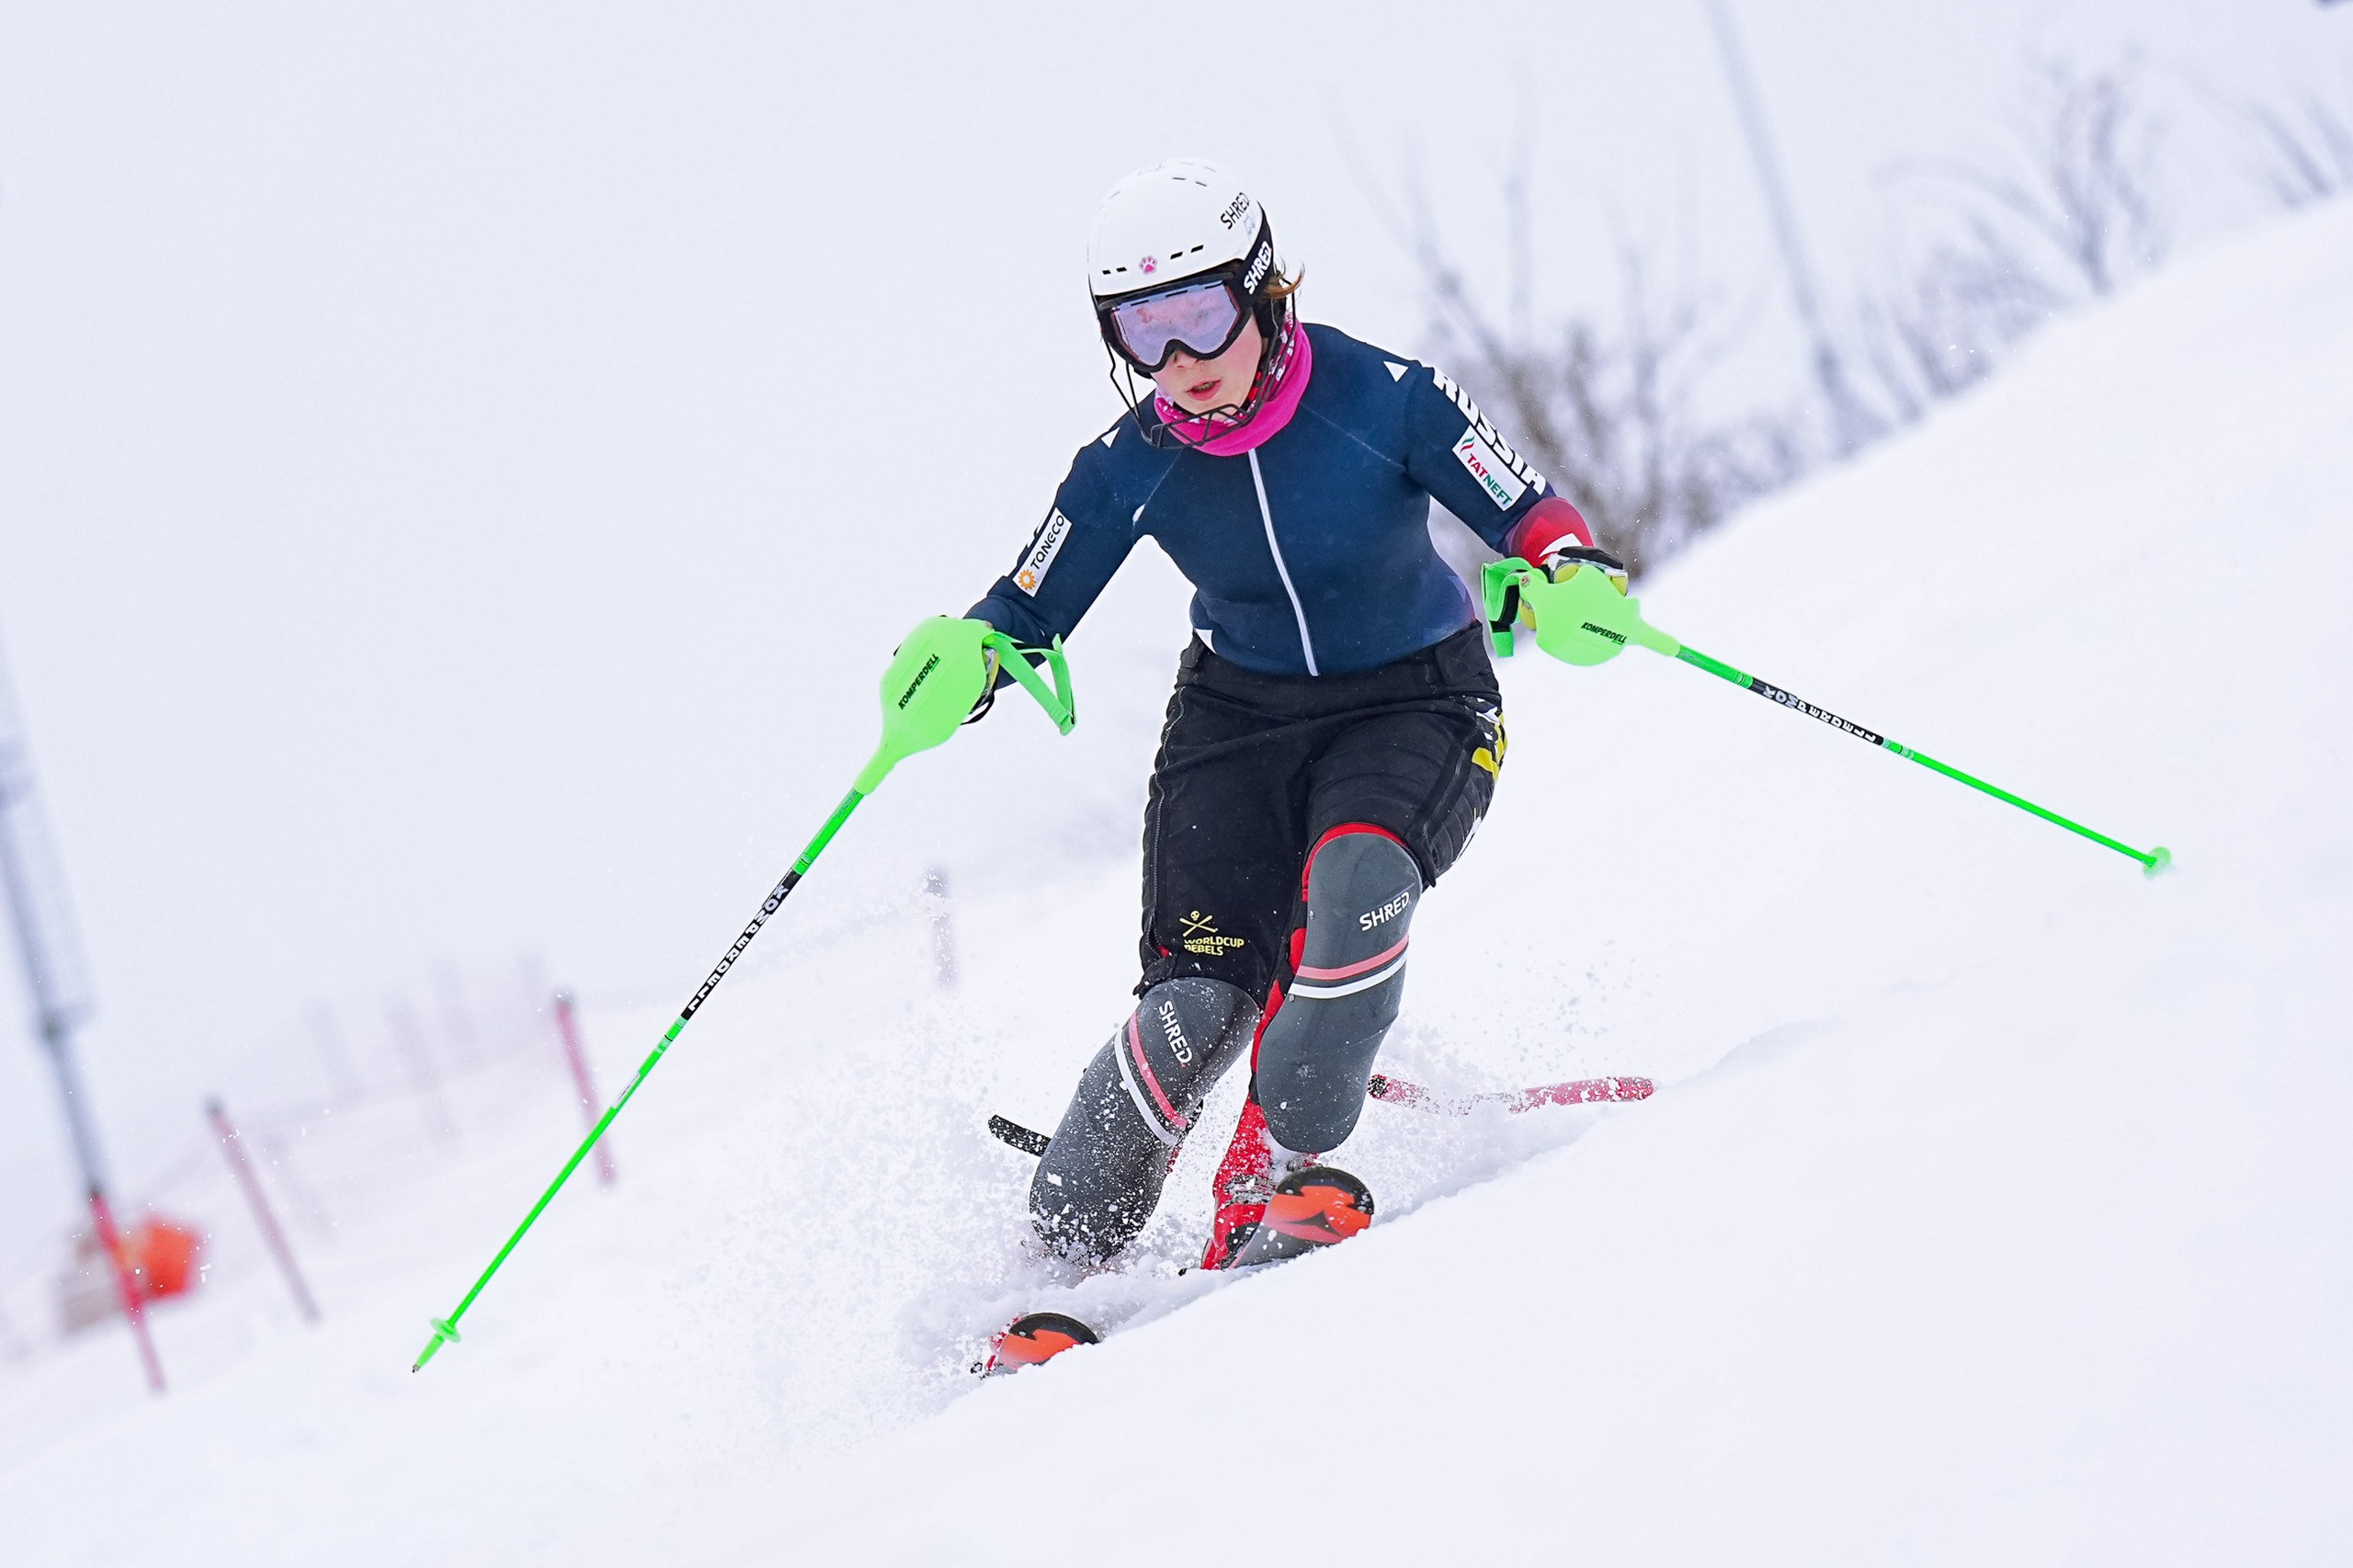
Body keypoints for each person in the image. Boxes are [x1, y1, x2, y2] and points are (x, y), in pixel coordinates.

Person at [962, 159, 1620, 1270]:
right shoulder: (1126, 464)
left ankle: (1270, 1177)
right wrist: (964, 655)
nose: (1180, 362)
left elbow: (1529, 510)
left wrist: (1565, 568)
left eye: (1200, 316)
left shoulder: (1384, 395)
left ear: (1263, 291)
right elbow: (1023, 608)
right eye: (1142, 332)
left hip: (1415, 698)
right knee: (1195, 1004)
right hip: (1234, 723)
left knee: (1355, 884)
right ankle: (1047, 1273)